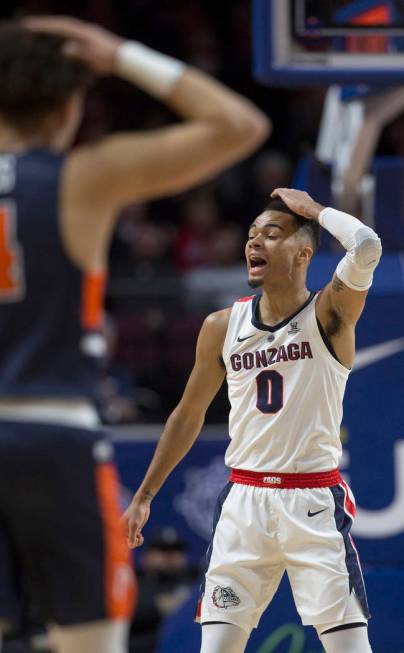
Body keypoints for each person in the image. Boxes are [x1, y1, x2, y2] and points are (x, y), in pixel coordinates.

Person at [0, 15, 269, 653]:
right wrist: (121, 54)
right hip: (52, 431)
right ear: (70, 105)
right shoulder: (82, 177)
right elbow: (241, 126)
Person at [125, 187, 382, 653]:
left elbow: (366, 246)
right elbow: (187, 416)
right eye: (251, 234)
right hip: (243, 503)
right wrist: (144, 495)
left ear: (304, 252)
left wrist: (312, 211)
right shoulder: (222, 326)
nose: (254, 242)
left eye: (272, 233)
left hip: (313, 501)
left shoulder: (329, 313)